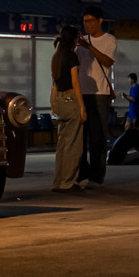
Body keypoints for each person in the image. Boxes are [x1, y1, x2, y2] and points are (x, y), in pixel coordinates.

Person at [77, 7, 117, 186]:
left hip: (100, 94)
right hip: (81, 93)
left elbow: (108, 61)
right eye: (85, 21)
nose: (88, 24)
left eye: (91, 21)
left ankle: (97, 175)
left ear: (100, 21)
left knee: (98, 137)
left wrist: (89, 47)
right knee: (80, 137)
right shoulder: (81, 41)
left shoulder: (109, 39)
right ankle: (81, 173)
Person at [48, 24, 87, 192]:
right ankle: (68, 182)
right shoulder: (72, 57)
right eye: (77, 37)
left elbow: (55, 82)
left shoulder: (56, 57)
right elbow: (75, 82)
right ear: (73, 39)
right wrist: (82, 107)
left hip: (59, 100)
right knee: (73, 144)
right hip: (71, 99)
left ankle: (58, 181)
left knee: (62, 143)